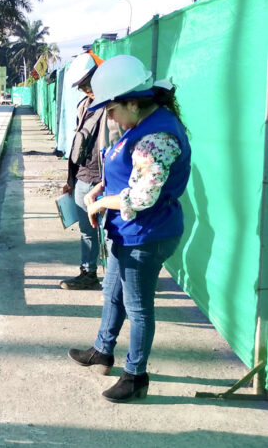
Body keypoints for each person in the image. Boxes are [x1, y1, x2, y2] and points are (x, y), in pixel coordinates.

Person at [67, 55, 191, 403]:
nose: (109, 116)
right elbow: (124, 170)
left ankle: (136, 375)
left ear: (133, 102)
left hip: (147, 235)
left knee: (137, 307)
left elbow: (142, 196)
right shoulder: (141, 126)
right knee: (112, 292)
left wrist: (99, 203)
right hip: (128, 232)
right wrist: (99, 189)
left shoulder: (159, 137)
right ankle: (103, 350)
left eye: (112, 109)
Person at [60, 51, 121, 290]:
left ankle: (115, 279)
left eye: (89, 82)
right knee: (87, 231)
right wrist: (71, 179)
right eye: (83, 86)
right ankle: (88, 273)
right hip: (84, 177)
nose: (87, 89)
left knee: (110, 234)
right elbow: (79, 143)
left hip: (106, 181)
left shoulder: (116, 104)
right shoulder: (83, 106)